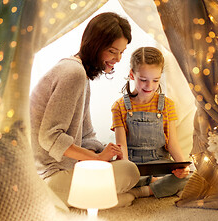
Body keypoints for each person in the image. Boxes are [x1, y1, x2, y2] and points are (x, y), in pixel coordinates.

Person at [30, 12, 140, 208]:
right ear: (95, 45)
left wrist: (103, 154)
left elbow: (86, 133)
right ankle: (105, 199)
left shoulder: (80, 73)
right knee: (130, 172)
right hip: (48, 178)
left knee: (123, 167)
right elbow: (49, 137)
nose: (118, 59)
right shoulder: (73, 74)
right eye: (113, 51)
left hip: (63, 170)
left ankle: (99, 199)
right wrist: (97, 158)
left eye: (121, 52)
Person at [111, 47, 191, 199]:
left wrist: (182, 166)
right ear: (132, 75)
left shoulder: (167, 105)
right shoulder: (119, 106)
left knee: (191, 177)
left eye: (155, 80)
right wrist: (127, 172)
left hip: (160, 164)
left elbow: (172, 144)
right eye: (143, 80)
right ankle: (154, 185)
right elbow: (122, 150)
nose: (149, 86)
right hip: (133, 166)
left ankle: (142, 191)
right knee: (111, 176)